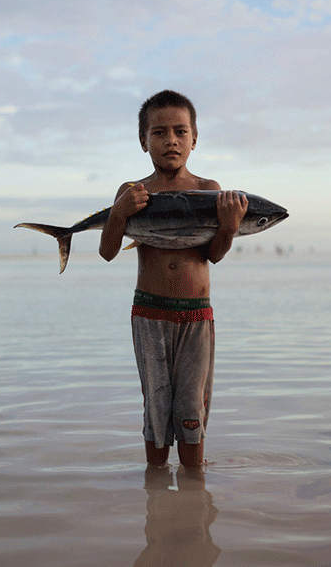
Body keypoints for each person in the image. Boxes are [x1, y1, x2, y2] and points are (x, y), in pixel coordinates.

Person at [99, 90, 248, 467]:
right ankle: (156, 485)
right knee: (156, 405)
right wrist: (118, 214)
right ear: (143, 140)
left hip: (196, 317)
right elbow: (107, 251)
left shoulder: (210, 191)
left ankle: (193, 496)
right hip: (149, 314)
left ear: (194, 139)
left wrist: (228, 227)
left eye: (181, 132)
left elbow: (212, 254)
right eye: (160, 132)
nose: (171, 141)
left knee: (191, 408)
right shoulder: (132, 193)